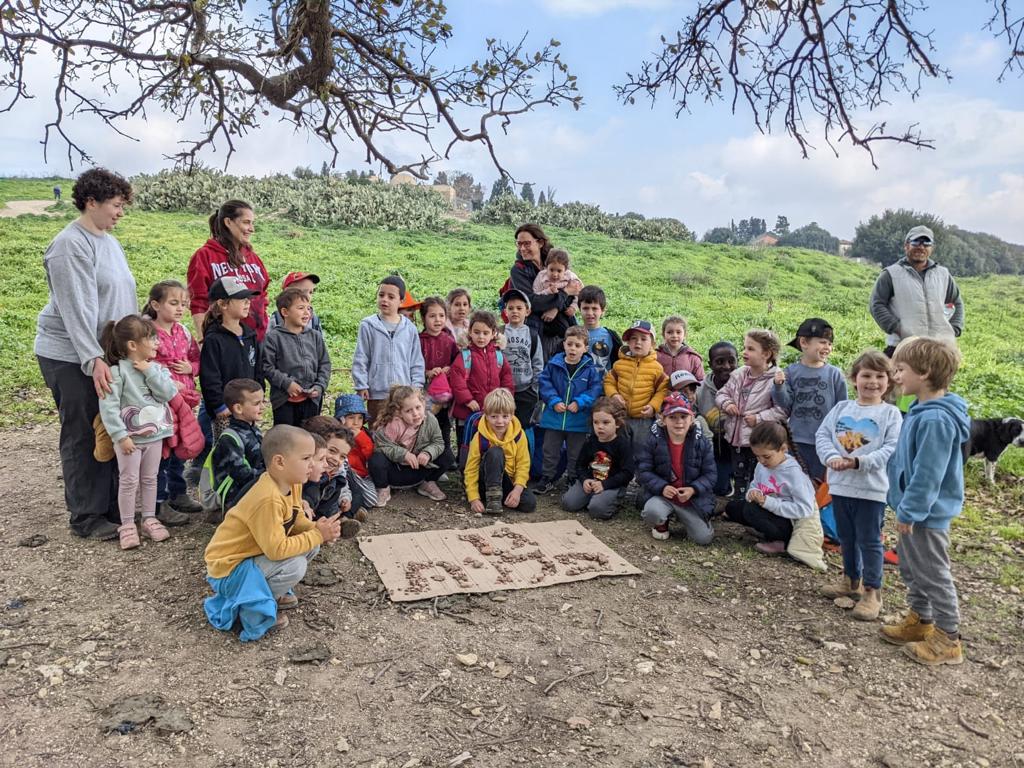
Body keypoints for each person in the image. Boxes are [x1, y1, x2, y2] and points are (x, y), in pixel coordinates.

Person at [35, 168, 138, 540]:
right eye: (115, 204)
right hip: (70, 354)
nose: (120, 212)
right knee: (82, 431)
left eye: (122, 205)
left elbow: (122, 296)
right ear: (90, 202)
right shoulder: (69, 245)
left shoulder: (108, 240)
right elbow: (76, 309)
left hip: (104, 352)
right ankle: (87, 515)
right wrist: (91, 358)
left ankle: (112, 504)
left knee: (111, 425)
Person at [204, 425, 342, 639]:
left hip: (249, 557)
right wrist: (317, 534)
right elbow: (277, 550)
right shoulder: (267, 498)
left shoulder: (291, 483)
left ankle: (269, 595)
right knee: (296, 564)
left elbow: (295, 519)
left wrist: (316, 529)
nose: (312, 464)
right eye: (306, 458)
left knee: (311, 545)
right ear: (279, 462)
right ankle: (252, 608)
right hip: (228, 569)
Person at [880, 337, 970, 666]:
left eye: (901, 369)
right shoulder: (920, 409)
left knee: (932, 572)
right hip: (911, 510)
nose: (895, 375)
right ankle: (921, 620)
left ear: (926, 372)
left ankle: (948, 639)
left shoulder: (936, 420)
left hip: (925, 516)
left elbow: (928, 473)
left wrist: (911, 510)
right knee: (912, 566)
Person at [815, 350, 902, 621]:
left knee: (870, 541)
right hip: (840, 487)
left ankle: (872, 591)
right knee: (846, 538)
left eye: (880, 376)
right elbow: (823, 435)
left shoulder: (890, 414)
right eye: (866, 375)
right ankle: (850, 580)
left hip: (871, 490)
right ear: (854, 379)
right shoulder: (842, 409)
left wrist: (858, 462)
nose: (872, 382)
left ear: (889, 381)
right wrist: (831, 458)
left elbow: (890, 449)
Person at [97, 315, 179, 549]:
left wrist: (149, 371)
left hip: (155, 436)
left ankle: (149, 518)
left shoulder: (157, 369)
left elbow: (167, 393)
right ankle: (127, 524)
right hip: (129, 439)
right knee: (129, 480)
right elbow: (109, 407)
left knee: (150, 478)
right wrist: (120, 436)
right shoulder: (117, 373)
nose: (157, 343)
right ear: (133, 345)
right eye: (151, 339)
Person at [143, 279, 203, 518]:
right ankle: (159, 502)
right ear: (156, 304)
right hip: (160, 404)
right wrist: (168, 380)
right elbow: (144, 364)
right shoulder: (147, 333)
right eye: (174, 303)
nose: (180, 308)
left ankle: (178, 493)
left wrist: (191, 369)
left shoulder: (184, 332)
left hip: (185, 403)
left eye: (184, 304)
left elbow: (196, 359)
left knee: (182, 446)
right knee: (162, 452)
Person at [724, 422, 822, 566]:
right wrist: (753, 493)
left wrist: (768, 502)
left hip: (789, 521)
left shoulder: (794, 475)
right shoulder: (761, 465)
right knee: (732, 507)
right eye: (757, 456)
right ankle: (763, 529)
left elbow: (804, 510)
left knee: (750, 510)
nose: (761, 461)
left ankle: (781, 542)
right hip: (769, 509)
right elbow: (755, 484)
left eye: (766, 456)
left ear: (783, 449)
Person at [869, 225, 964, 357]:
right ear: (906, 245)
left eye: (926, 243)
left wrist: (954, 328)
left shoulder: (943, 274)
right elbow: (876, 304)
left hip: (938, 348)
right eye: (916, 242)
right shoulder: (891, 274)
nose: (921, 247)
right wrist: (897, 328)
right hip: (903, 347)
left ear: (932, 248)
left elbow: (957, 302)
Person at [772, 318, 847, 482]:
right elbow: (785, 403)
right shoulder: (791, 372)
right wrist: (778, 386)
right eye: (822, 342)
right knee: (796, 480)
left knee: (820, 483)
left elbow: (842, 410)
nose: (827, 347)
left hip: (825, 441)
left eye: (829, 343)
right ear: (804, 342)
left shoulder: (835, 375)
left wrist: (840, 439)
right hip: (796, 439)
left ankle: (817, 508)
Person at [531, 326, 604, 494]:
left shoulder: (590, 369)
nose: (573, 348)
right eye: (569, 344)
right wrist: (554, 400)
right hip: (554, 418)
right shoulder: (554, 364)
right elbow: (545, 383)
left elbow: (594, 390)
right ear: (564, 344)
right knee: (549, 450)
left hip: (577, 420)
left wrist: (580, 402)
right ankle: (547, 477)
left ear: (585, 348)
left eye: (577, 345)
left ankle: (572, 477)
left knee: (575, 452)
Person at [636, 393, 716, 544]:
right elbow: (643, 471)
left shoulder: (701, 442)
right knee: (652, 512)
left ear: (692, 418)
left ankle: (686, 517)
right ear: (662, 419)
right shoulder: (653, 441)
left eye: (683, 417)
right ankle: (661, 521)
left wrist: (693, 489)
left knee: (703, 539)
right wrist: (662, 487)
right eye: (672, 417)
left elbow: (711, 475)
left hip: (691, 499)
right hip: (663, 496)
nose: (679, 422)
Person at [715, 329, 787, 498]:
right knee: (739, 473)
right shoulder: (739, 374)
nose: (744, 352)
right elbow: (721, 394)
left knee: (759, 474)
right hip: (736, 436)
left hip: (759, 439)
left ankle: (757, 503)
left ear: (767, 354)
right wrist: (728, 404)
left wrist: (759, 418)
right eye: (744, 347)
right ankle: (739, 503)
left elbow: (782, 410)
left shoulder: (775, 379)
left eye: (750, 349)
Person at [187, 200, 270, 343]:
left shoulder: (253, 257)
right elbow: (199, 303)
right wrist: (205, 341)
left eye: (252, 223)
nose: (251, 229)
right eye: (246, 222)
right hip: (224, 342)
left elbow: (263, 296)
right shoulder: (205, 256)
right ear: (228, 222)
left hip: (257, 339)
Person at [351, 275, 425, 423]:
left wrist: (416, 388)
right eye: (381, 295)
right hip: (376, 392)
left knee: (403, 430)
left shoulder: (409, 328)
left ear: (401, 301)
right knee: (377, 429)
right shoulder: (368, 325)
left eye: (391, 297)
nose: (385, 300)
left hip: (403, 394)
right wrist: (361, 385)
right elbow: (361, 357)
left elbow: (416, 360)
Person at [199, 277, 263, 446]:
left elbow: (257, 367)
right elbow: (209, 377)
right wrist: (219, 406)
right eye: (242, 298)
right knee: (227, 449)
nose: (247, 302)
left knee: (249, 447)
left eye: (248, 298)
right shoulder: (214, 339)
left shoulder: (250, 335)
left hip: (248, 408)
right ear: (223, 304)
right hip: (226, 412)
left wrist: (259, 394)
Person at [369, 385, 454, 506]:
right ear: (399, 412)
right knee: (376, 458)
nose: (415, 414)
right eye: (408, 411)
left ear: (423, 404)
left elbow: (438, 442)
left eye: (418, 407)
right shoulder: (393, 424)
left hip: (419, 468)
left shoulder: (430, 420)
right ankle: (383, 488)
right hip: (395, 472)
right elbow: (382, 446)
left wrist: (428, 453)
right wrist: (403, 454)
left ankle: (427, 483)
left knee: (447, 455)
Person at [263, 287, 331, 427]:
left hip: (311, 399)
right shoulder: (274, 338)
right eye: (301, 308)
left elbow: (324, 364)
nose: (307, 312)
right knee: (287, 439)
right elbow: (266, 367)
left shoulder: (315, 336)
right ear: (285, 312)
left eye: (309, 308)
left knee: (310, 437)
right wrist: (287, 384)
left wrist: (319, 386)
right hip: (285, 400)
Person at [463, 388, 536, 515]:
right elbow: (471, 469)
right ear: (486, 414)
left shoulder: (519, 435)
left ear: (512, 414)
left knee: (529, 503)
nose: (500, 421)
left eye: (505, 416)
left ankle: (501, 497)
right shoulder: (480, 437)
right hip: (485, 482)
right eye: (494, 416)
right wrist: (473, 498)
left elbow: (523, 464)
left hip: (507, 479)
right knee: (496, 452)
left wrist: (517, 491)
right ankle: (493, 499)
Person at [603, 320, 669, 458]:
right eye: (633, 338)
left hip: (643, 418)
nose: (638, 343)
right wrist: (614, 395)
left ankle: (640, 475)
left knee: (642, 448)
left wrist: (653, 406)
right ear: (628, 342)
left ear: (653, 344)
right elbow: (609, 381)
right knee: (620, 445)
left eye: (643, 339)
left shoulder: (656, 368)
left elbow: (662, 390)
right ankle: (621, 473)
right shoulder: (619, 364)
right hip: (621, 416)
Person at [561, 397, 634, 520]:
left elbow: (628, 472)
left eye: (605, 423)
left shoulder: (623, 444)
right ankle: (592, 498)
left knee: (597, 510)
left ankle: (611, 500)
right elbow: (580, 465)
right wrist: (584, 480)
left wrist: (605, 485)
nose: (600, 427)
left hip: (611, 484)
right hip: (591, 481)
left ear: (617, 424)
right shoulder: (590, 441)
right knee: (568, 503)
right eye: (596, 422)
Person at [204, 378, 266, 522]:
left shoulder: (254, 429)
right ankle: (228, 513)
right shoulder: (229, 438)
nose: (263, 407)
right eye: (257, 403)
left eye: (263, 402)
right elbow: (241, 474)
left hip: (254, 485)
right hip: (236, 493)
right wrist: (269, 475)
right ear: (238, 408)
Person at [449, 310, 514, 446]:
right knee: (467, 441)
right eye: (477, 332)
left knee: (487, 443)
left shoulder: (498, 355)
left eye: (485, 333)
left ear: (493, 334)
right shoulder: (465, 355)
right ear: (470, 332)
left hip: (492, 411)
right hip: (468, 410)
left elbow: (506, 378)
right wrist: (468, 400)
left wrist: (505, 398)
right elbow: (457, 380)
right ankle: (465, 465)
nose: (481, 337)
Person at [506, 223, 576, 344]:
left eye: (527, 243)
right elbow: (531, 301)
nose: (522, 248)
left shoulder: (554, 262)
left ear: (540, 243)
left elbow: (574, 289)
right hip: (537, 330)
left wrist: (555, 307)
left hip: (563, 324)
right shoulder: (518, 270)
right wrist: (564, 293)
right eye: (519, 243)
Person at [301, 416, 362, 535]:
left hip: (325, 509)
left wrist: (345, 499)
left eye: (342, 457)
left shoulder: (336, 474)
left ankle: (338, 522)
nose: (336, 459)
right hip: (306, 512)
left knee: (354, 493)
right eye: (332, 451)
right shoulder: (305, 471)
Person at [500, 288, 544, 447]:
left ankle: (528, 462)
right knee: (504, 425)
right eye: (510, 308)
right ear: (505, 311)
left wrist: (535, 388)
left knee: (525, 428)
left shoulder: (532, 334)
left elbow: (538, 363)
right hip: (504, 390)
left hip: (526, 389)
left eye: (519, 308)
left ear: (527, 311)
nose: (515, 311)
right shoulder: (499, 332)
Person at [696, 341, 738, 500]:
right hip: (716, 449)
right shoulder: (700, 390)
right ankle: (723, 479)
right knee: (719, 489)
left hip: (741, 447)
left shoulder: (745, 386)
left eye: (731, 361)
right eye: (720, 362)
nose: (726, 366)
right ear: (710, 364)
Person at [419, 296, 459, 454]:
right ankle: (427, 455)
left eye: (441, 316)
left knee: (444, 423)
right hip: (425, 390)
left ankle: (445, 455)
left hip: (445, 392)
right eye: (432, 316)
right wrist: (427, 372)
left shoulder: (449, 340)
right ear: (423, 318)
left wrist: (449, 368)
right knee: (426, 422)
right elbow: (413, 363)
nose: (437, 320)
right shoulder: (419, 340)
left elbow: (457, 361)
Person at [334, 394, 377, 511]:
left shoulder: (365, 434)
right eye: (351, 418)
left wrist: (360, 438)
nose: (356, 422)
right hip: (340, 473)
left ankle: (354, 510)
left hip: (360, 476)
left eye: (360, 418)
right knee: (339, 493)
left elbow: (371, 455)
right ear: (341, 419)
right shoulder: (335, 435)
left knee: (371, 500)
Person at [577, 285, 621, 379]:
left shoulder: (611, 336)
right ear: (579, 309)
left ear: (603, 310)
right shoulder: (573, 335)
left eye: (594, 308)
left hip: (604, 388)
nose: (590, 312)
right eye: (585, 308)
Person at [656, 316, 705, 381]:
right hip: (661, 391)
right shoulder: (655, 356)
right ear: (663, 334)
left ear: (685, 335)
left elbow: (700, 381)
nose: (674, 335)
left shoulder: (693, 358)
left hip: (685, 391)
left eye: (678, 332)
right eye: (670, 332)